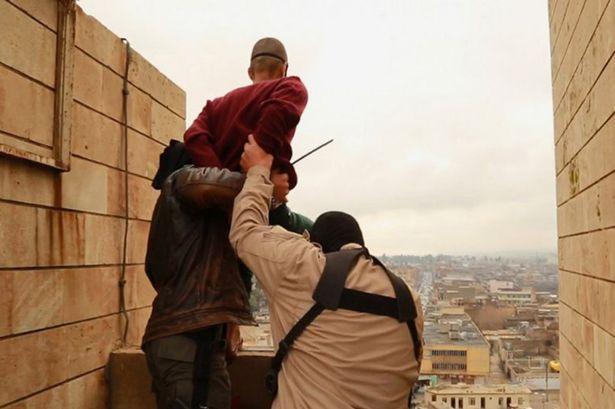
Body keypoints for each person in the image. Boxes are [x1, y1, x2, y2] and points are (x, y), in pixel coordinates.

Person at [142, 38, 309, 409]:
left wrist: (227, 321)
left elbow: (197, 135)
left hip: (199, 342)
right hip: (186, 345)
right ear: (283, 68)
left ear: (251, 71)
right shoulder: (185, 179)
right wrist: (261, 171)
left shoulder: (216, 201)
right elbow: (207, 172)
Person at [228, 136, 424, 409]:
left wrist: (259, 172)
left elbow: (245, 232)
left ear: (318, 247)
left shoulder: (306, 268)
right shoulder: (408, 299)